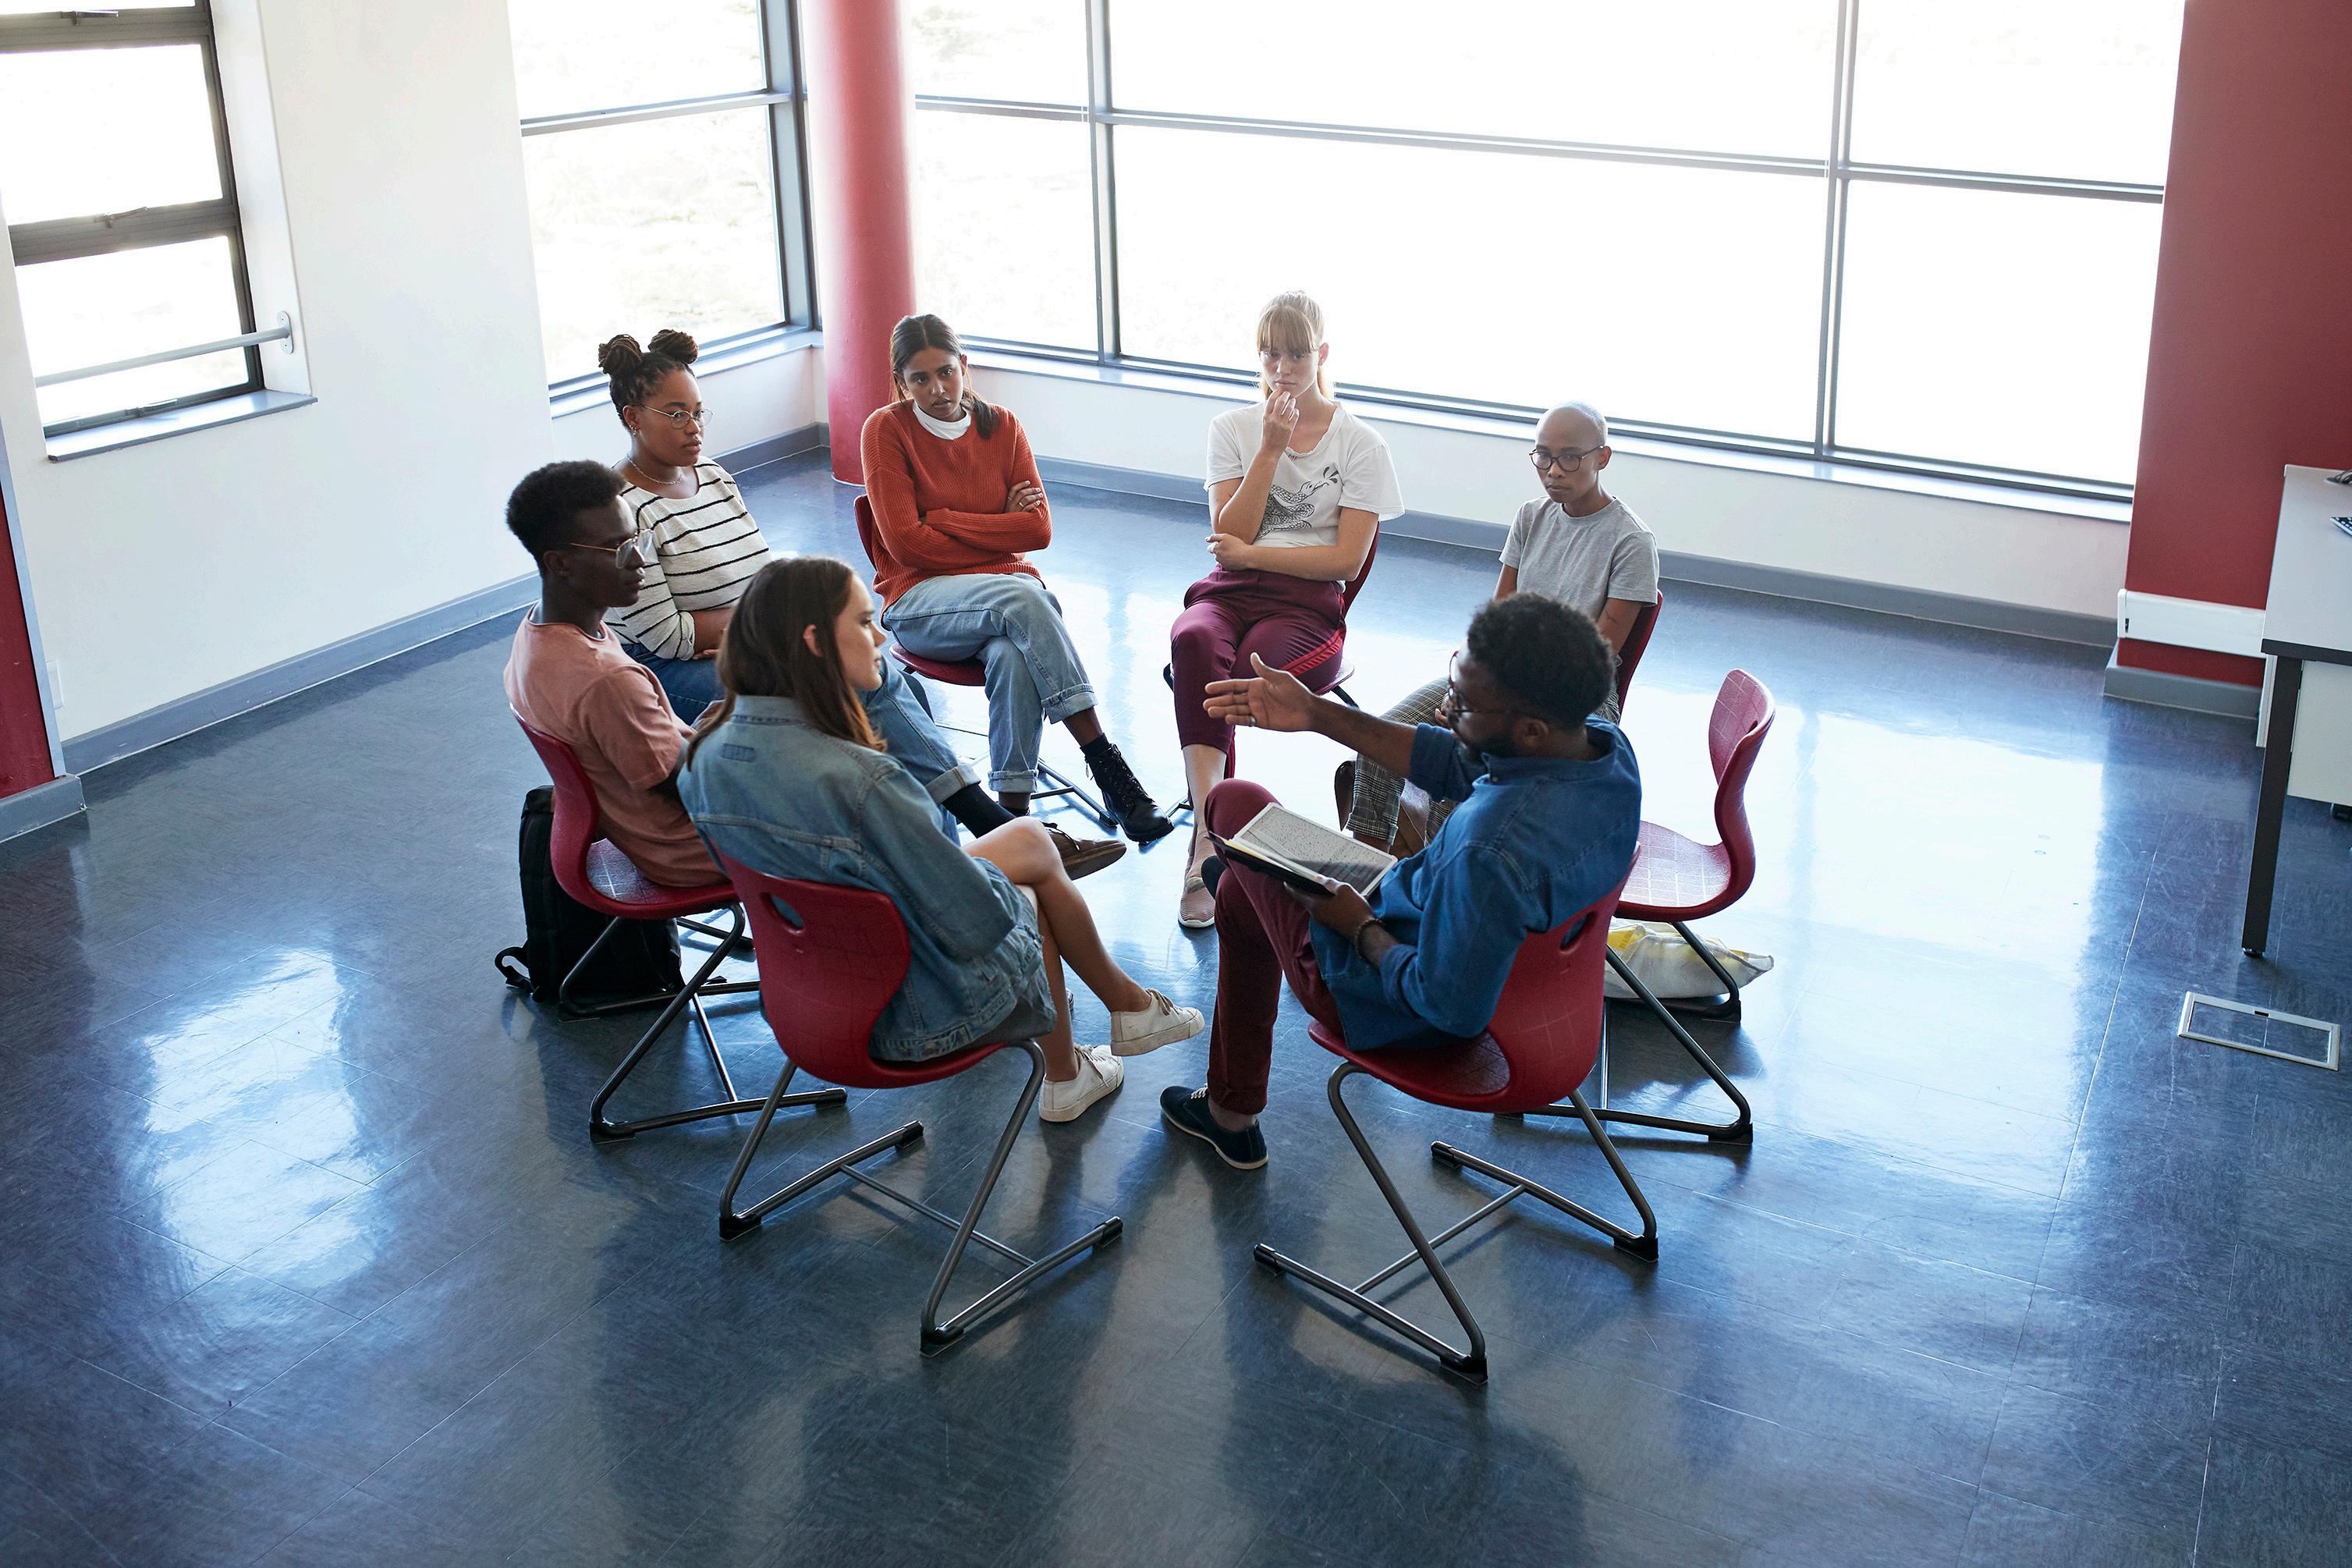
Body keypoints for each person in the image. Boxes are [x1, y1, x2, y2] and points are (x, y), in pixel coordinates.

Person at [679, 556, 1204, 1120]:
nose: (881, 637)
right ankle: (1080, 1059)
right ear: (813, 641)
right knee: (1030, 888)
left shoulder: (703, 758)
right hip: (915, 1014)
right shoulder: (866, 781)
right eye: (863, 622)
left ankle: (1113, 1025)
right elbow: (979, 923)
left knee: (1026, 842)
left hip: (805, 995)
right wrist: (1016, 876)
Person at [598, 328, 1122, 877]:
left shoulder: (712, 477)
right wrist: (753, 630)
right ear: (633, 417)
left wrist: (749, 629)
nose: (694, 427)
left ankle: (955, 852)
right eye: (676, 415)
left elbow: (766, 582)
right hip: (676, 673)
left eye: (698, 412)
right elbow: (667, 637)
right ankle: (989, 835)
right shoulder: (623, 506)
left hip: (750, 646)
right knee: (859, 685)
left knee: (899, 687)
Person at [1158, 595, 1639, 1169]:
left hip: (1378, 992)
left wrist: (1358, 927)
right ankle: (1228, 1109)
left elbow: (1449, 1010)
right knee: (1241, 899)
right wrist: (1316, 712)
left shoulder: (1487, 850)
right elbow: (1456, 763)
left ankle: (1231, 1106)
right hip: (1505, 970)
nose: (1444, 708)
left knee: (1232, 801)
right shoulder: (1605, 751)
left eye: (1463, 704)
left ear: (1531, 731)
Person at [860, 314, 1173, 844]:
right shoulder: (886, 430)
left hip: (1003, 600)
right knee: (1025, 598)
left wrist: (943, 519)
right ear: (901, 382)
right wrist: (997, 525)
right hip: (920, 602)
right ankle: (1106, 765)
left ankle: (1012, 817)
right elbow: (907, 546)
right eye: (920, 379)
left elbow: (1038, 530)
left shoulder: (1001, 426)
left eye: (945, 372)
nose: (937, 389)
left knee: (1012, 651)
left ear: (964, 366)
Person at [1171, 290, 1403, 928]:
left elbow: (1345, 562)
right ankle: (1206, 837)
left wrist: (1252, 553)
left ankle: (1227, 835)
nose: (1281, 369)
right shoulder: (1232, 429)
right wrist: (1269, 450)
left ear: (1321, 354)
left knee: (1245, 670)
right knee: (1192, 639)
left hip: (1307, 605)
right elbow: (1227, 536)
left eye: (1296, 355)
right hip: (1229, 589)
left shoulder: (1361, 444)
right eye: (1270, 354)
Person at [1339, 401, 1657, 851]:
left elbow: (1595, 658)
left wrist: (1484, 711)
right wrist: (1466, 690)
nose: (1553, 471)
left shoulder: (1632, 541)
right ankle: (1369, 862)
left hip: (1572, 701)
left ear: (1602, 457)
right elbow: (1495, 621)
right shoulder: (1531, 516)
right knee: (1377, 741)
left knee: (1469, 773)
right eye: (1543, 456)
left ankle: (1443, 871)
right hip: (1502, 679)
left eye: (1570, 458)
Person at [500, 459, 722, 889]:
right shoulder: (604, 679)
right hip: (696, 848)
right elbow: (694, 788)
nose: (639, 560)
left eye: (635, 539)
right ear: (560, 563)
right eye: (616, 548)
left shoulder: (538, 632)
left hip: (663, 826)